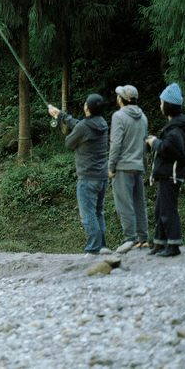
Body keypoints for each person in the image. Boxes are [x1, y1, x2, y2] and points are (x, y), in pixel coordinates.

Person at [48, 94, 111, 256]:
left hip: (87, 177)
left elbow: (69, 142)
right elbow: (80, 125)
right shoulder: (102, 123)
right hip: (102, 177)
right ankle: (102, 246)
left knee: (88, 214)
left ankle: (93, 249)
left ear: (86, 108)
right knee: (98, 212)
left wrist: (64, 123)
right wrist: (60, 114)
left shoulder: (84, 127)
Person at [146, 83, 185, 257]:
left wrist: (154, 142)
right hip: (168, 174)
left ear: (168, 105)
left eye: (162, 103)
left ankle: (174, 245)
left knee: (168, 211)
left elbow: (173, 150)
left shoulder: (175, 128)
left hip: (172, 174)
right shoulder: (174, 125)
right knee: (160, 210)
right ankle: (160, 243)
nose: (160, 106)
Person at [109, 85, 150, 253]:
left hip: (123, 167)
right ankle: (144, 239)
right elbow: (144, 143)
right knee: (139, 204)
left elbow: (115, 143)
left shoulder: (118, 116)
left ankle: (130, 241)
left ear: (121, 99)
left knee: (125, 205)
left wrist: (111, 165)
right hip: (138, 166)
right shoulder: (144, 117)